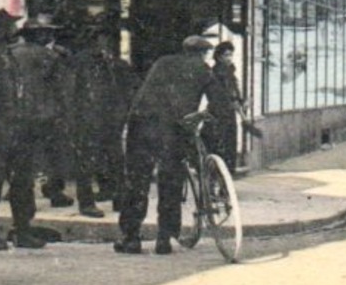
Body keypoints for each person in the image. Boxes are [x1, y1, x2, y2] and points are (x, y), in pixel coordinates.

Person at [116, 35, 216, 255]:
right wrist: (205, 118)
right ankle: (164, 238)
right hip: (173, 128)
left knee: (137, 180)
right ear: (203, 53)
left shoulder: (163, 62)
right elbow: (218, 104)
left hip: (142, 123)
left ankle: (131, 237)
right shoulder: (204, 70)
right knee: (170, 180)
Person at [0, 9, 45, 251]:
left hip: (17, 126)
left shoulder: (9, 56)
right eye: (11, 26)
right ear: (1, 31)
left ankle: (22, 230)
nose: (15, 30)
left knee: (23, 181)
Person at [13, 13, 75, 209]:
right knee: (52, 154)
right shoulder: (52, 56)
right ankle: (54, 192)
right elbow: (64, 87)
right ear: (39, 35)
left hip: (18, 111)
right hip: (47, 112)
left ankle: (19, 191)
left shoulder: (11, 53)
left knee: (21, 155)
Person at [72, 22, 132, 218]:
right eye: (100, 38)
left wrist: (123, 114)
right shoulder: (80, 63)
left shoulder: (117, 65)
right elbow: (72, 92)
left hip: (110, 119)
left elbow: (127, 91)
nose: (104, 43)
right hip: (88, 118)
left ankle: (119, 198)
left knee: (116, 160)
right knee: (87, 163)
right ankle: (86, 202)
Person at [207, 41, 246, 168]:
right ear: (218, 56)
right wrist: (232, 102)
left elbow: (234, 89)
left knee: (230, 141)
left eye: (231, 55)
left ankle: (228, 169)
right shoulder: (216, 73)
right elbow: (217, 94)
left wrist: (240, 100)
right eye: (226, 55)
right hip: (218, 113)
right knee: (220, 142)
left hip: (229, 113)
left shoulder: (230, 72)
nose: (229, 58)